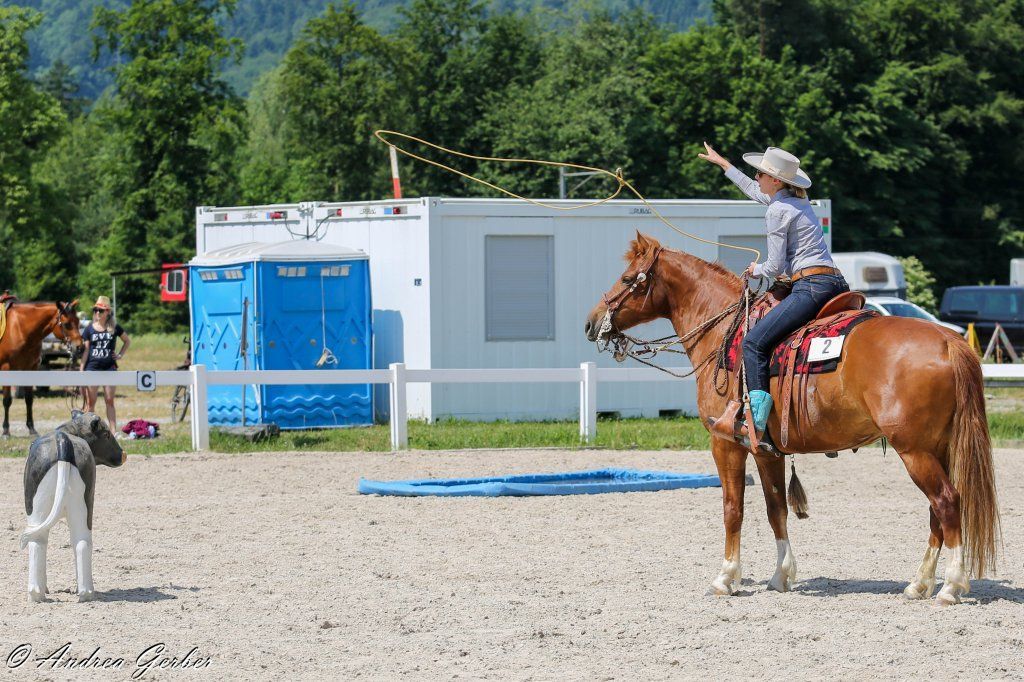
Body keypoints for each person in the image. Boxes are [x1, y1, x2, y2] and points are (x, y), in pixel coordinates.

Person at [698, 143, 849, 446]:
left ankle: (757, 422)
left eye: (762, 174)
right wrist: (724, 165)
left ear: (776, 181)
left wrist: (757, 269)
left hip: (810, 286)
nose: (758, 178)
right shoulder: (796, 203)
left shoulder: (778, 210)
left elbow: (776, 264)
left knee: (753, 342)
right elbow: (754, 191)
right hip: (834, 282)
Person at [80, 296, 131, 434]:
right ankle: (89, 431)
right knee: (90, 403)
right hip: (92, 368)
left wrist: (120, 355)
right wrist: (81, 370)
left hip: (109, 368)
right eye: (96, 310)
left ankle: (113, 431)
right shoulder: (89, 329)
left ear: (107, 312)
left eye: (100, 310)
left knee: (109, 400)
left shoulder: (114, 328)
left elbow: (127, 341)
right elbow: (86, 351)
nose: (97, 313)